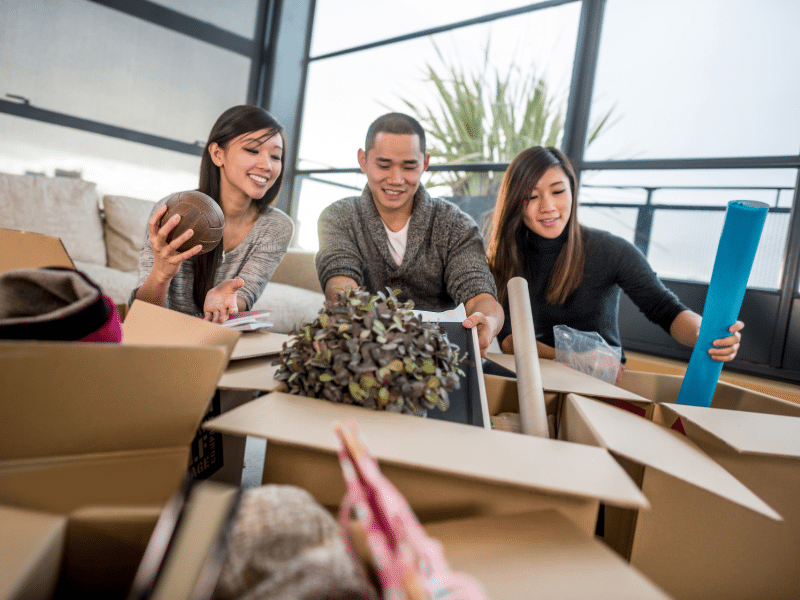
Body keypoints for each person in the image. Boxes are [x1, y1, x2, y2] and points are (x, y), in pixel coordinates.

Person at [487, 146, 743, 363]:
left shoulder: (610, 250)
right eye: (532, 196)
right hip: (531, 379)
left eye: (558, 191)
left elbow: (665, 308)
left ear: (572, 190)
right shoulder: (503, 258)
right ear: (515, 203)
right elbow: (510, 341)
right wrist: (574, 359)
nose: (548, 207)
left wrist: (704, 333)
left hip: (600, 380)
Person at [315, 112, 504, 356]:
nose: (396, 179)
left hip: (441, 355)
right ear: (363, 160)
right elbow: (340, 278)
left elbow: (479, 292)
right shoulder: (339, 216)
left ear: (425, 163)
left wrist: (488, 320)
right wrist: (350, 310)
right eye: (383, 165)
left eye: (409, 166)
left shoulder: (456, 225)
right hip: (362, 352)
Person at [134, 105, 294, 323]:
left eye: (276, 156)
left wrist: (226, 299)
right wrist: (161, 274)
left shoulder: (276, 226)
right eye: (252, 150)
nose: (266, 165)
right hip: (163, 337)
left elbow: (245, 296)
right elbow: (143, 317)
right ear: (218, 154)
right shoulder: (174, 211)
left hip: (215, 342)